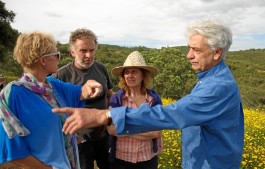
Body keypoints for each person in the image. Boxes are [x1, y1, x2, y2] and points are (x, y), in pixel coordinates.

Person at [53, 18, 244, 169]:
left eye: (195, 49)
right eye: (189, 48)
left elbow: (173, 115)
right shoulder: (209, 80)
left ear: (217, 52)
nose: (188, 55)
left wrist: (106, 115)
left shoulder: (217, 87)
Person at [0, 32, 103, 169]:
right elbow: (13, 151)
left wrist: (90, 85)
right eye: (56, 55)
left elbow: (81, 91)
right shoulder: (13, 94)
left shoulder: (52, 85)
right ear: (43, 60)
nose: (58, 59)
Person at [52, 28, 113, 169]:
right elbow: (55, 112)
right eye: (83, 50)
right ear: (73, 52)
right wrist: (74, 138)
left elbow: (110, 95)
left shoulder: (101, 68)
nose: (89, 55)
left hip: (104, 136)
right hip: (80, 141)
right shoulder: (61, 76)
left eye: (92, 50)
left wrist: (112, 122)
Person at [108, 51, 163, 169]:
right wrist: (144, 129)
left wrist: (124, 128)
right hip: (121, 159)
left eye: (134, 72)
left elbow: (156, 132)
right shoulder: (116, 99)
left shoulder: (154, 99)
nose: (130, 75)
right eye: (126, 72)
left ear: (143, 75)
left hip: (147, 158)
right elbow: (111, 129)